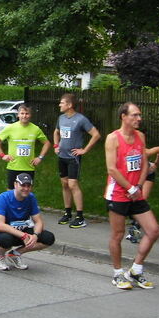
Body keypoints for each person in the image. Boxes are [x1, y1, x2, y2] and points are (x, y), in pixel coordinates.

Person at [104, 102, 159, 289]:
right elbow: (112, 168)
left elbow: (145, 163)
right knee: (118, 234)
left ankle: (136, 269)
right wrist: (130, 188)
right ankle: (118, 273)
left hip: (136, 192)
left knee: (153, 231)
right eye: (135, 115)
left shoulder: (140, 136)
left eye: (139, 115)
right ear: (123, 116)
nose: (139, 118)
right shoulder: (113, 138)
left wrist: (138, 186)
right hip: (118, 193)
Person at [0, 172, 55, 271]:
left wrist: (35, 235)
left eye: (29, 186)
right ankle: (0, 256)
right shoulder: (3, 197)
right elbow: (0, 225)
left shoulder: (31, 197)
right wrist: (23, 236)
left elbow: (38, 221)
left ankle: (15, 254)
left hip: (22, 230)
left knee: (48, 238)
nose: (26, 188)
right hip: (1, 233)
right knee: (6, 240)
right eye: (23, 185)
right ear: (15, 184)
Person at [53, 93, 100, 228]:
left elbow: (96, 135)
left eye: (62, 103)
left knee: (73, 184)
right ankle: (67, 213)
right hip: (62, 156)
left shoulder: (80, 119)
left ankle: (80, 216)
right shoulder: (61, 118)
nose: (59, 105)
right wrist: (56, 145)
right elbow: (56, 132)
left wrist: (84, 150)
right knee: (65, 184)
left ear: (69, 105)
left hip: (74, 158)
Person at [0, 103, 51, 188]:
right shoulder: (11, 128)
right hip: (13, 166)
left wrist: (40, 157)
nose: (24, 116)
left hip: (28, 167)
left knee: (27, 192)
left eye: (27, 114)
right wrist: (2, 155)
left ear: (30, 115)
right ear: (18, 115)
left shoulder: (35, 129)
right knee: (11, 192)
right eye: (22, 113)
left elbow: (47, 143)